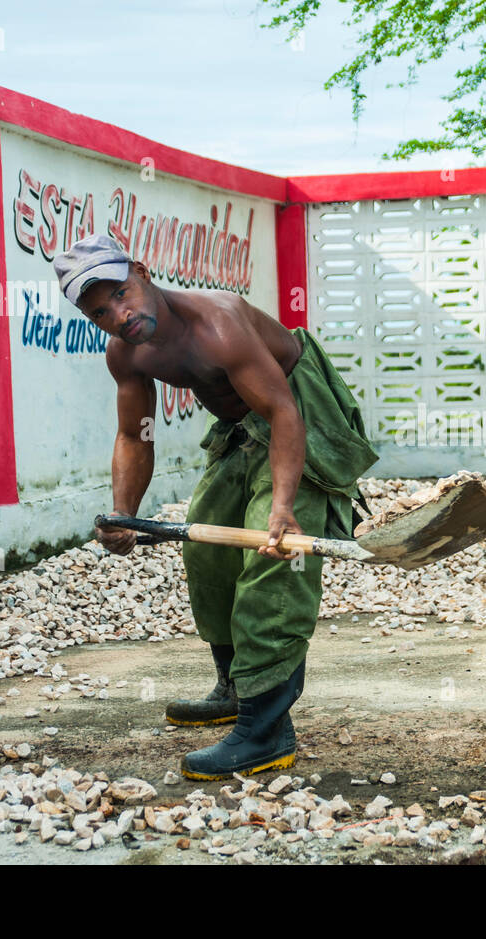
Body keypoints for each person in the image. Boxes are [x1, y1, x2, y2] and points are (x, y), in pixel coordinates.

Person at [52, 234, 377, 779]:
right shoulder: (126, 352)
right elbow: (135, 434)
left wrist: (281, 506)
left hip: (299, 411)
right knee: (207, 553)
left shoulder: (218, 323)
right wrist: (123, 514)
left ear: (142, 271)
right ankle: (234, 687)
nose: (119, 315)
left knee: (274, 560)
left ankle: (265, 730)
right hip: (238, 426)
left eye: (122, 294)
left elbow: (282, 412)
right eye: (100, 311)